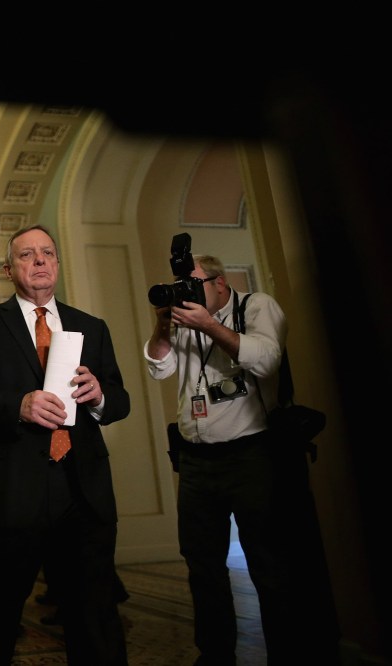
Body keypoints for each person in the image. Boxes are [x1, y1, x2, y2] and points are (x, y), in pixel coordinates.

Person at [144, 253, 340, 665]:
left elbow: (267, 360)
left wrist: (210, 326)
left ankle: (287, 654)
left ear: (220, 281)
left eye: (195, 285)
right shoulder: (183, 320)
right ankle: (214, 655)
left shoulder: (257, 305)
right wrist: (164, 323)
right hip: (196, 460)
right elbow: (159, 368)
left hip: (253, 453)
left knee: (269, 562)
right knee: (202, 566)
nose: (188, 294)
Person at [0, 224, 130, 666]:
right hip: (10, 493)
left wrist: (99, 396)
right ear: (8, 269)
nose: (39, 262)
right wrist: (19, 405)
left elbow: (120, 399)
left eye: (47, 253)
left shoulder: (92, 326)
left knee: (95, 618)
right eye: (27, 255)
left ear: (57, 263)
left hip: (82, 491)